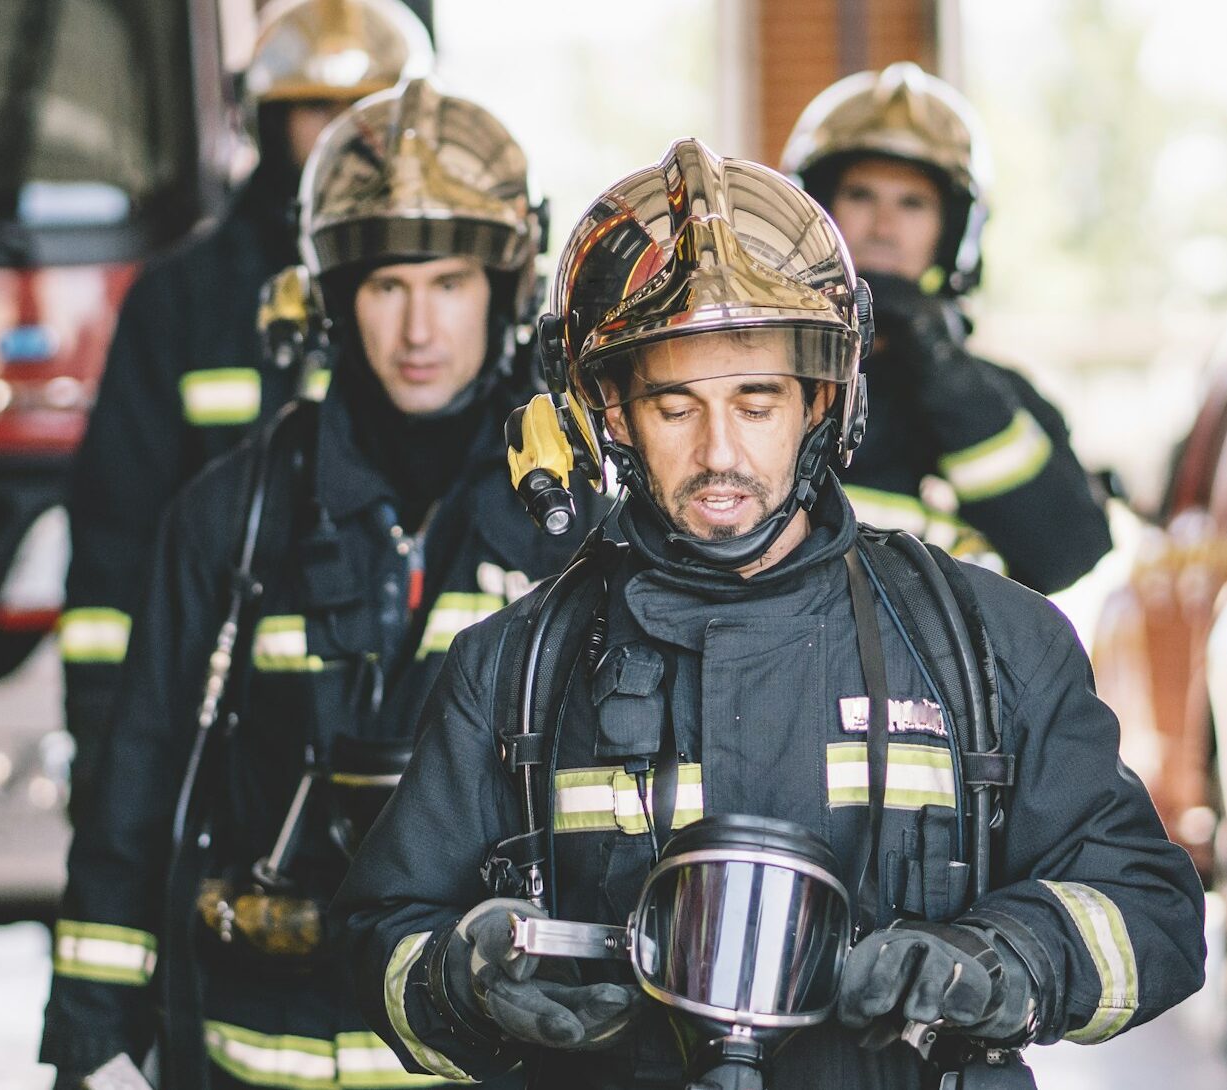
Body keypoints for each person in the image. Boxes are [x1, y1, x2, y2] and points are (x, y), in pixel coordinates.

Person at [333, 138, 1205, 1090]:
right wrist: (459, 981)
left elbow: (1151, 913)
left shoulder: (989, 645)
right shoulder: (513, 669)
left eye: (756, 400)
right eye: (674, 405)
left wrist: (1001, 964)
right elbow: (379, 930)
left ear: (820, 402)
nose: (720, 455)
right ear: (611, 417)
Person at [41, 79, 603, 1090]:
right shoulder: (236, 513)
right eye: (387, 286)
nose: (418, 329)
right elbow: (139, 781)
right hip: (259, 1054)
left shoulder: (568, 521)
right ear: (335, 298)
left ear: (506, 290)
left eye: (449, 284)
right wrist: (91, 1031)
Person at [58, 0, 434, 801]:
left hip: (421, 731)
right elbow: (115, 542)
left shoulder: (458, 302)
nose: (345, 135)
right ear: (267, 120)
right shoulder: (180, 301)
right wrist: (106, 754)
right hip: (222, 739)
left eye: (372, 108)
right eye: (318, 107)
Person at [780, 62, 1112, 594]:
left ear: (954, 232)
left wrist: (943, 370)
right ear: (817, 210)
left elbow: (1067, 555)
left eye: (912, 203)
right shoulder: (760, 380)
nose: (884, 226)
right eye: (861, 195)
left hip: (946, 675)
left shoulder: (996, 398)